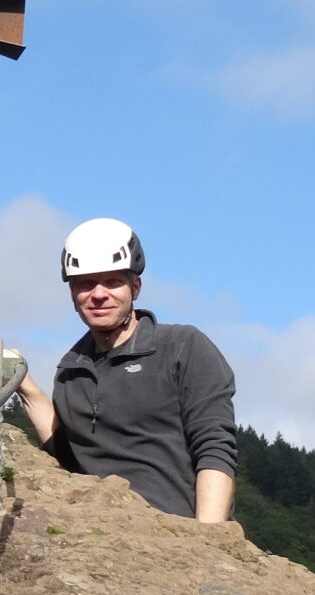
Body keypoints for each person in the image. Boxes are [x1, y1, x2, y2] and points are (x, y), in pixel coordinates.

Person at [16, 218, 237, 520]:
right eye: (85, 283)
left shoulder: (181, 346)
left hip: (178, 529)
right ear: (72, 294)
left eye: (112, 282)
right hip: (103, 533)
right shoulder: (70, 371)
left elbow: (214, 445)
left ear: (136, 286)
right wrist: (23, 384)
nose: (98, 294)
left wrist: (207, 538)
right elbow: (68, 459)